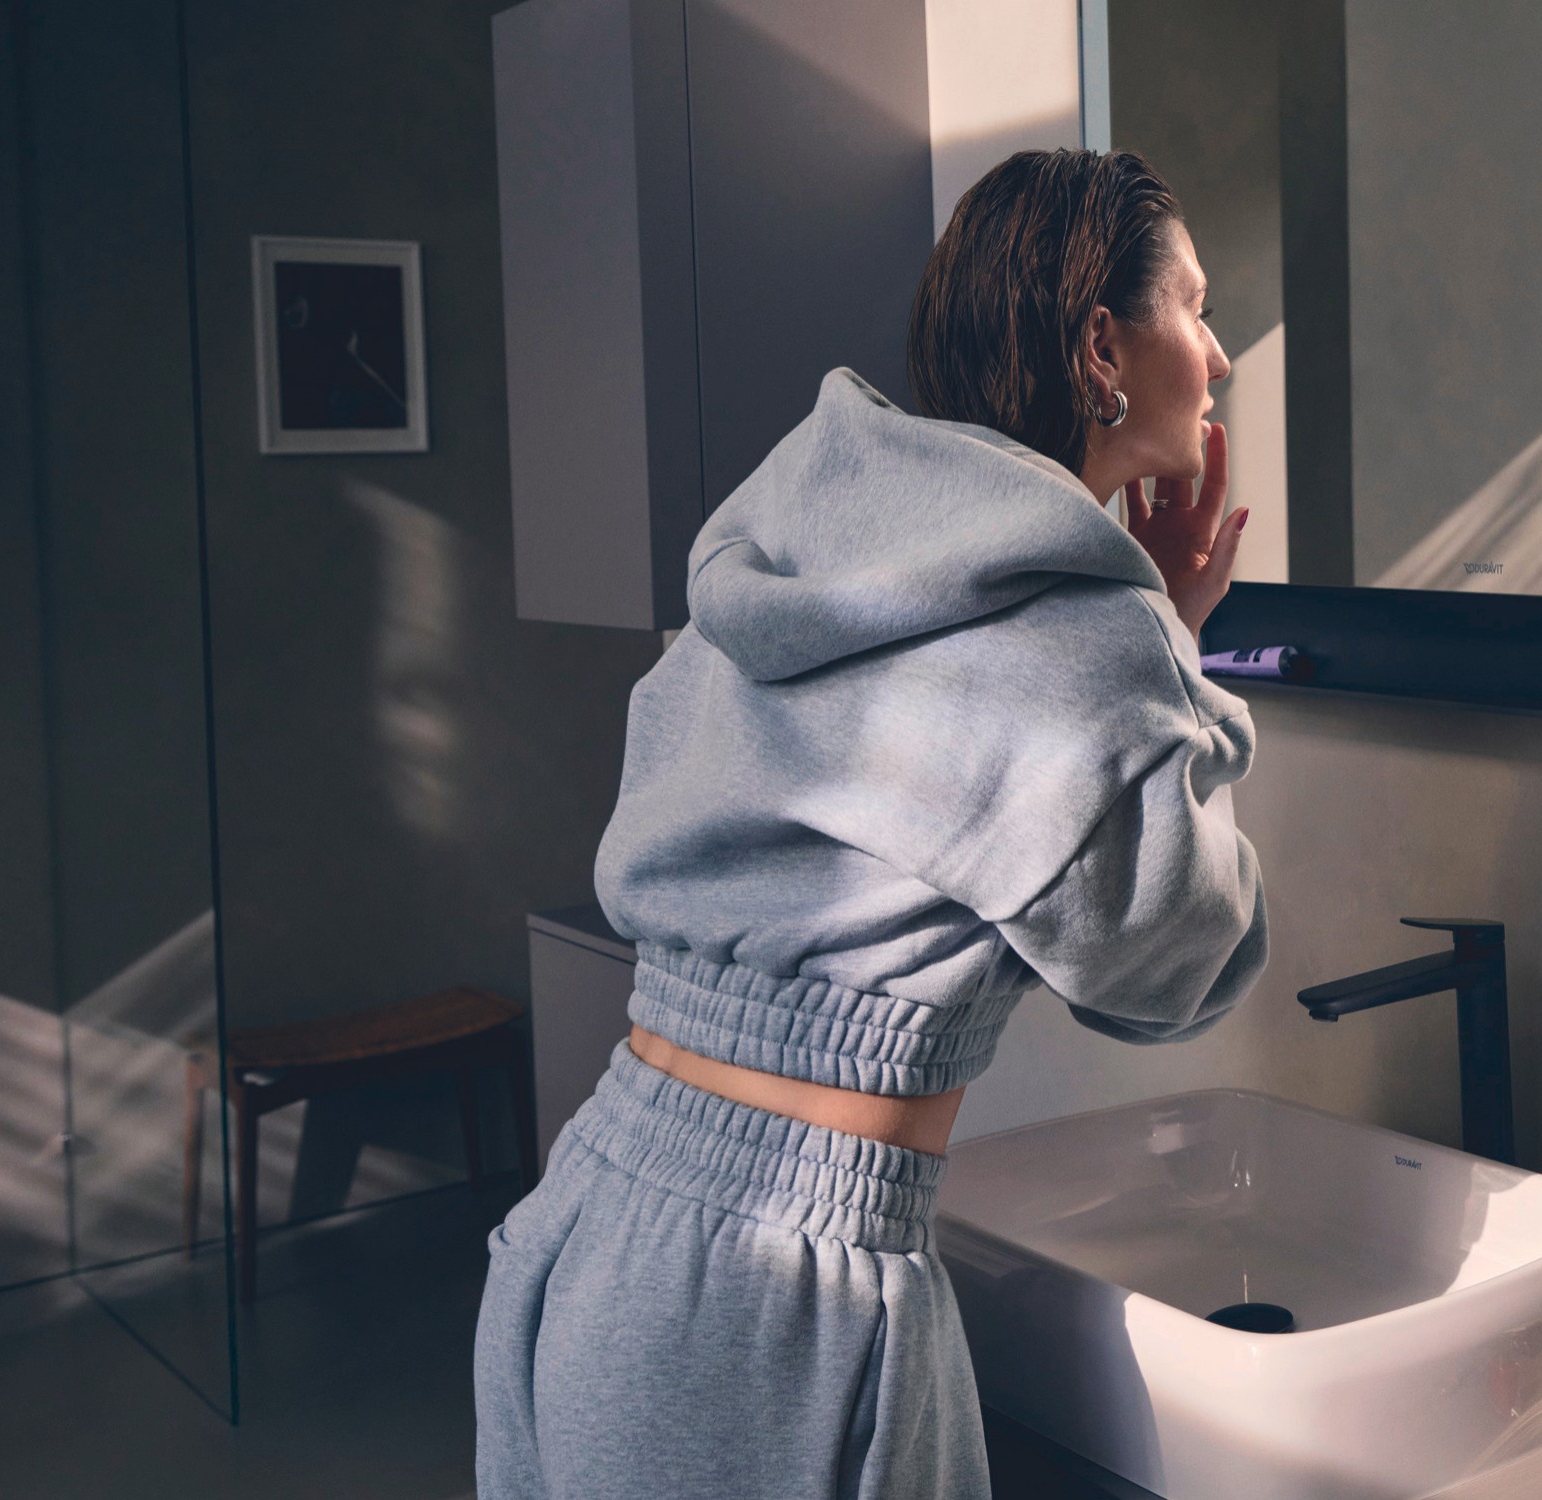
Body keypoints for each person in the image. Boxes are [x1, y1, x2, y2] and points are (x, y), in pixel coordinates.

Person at [474, 149, 1263, 1500]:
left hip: (591, 1213)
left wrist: (1152, 646)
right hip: (780, 1301)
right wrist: (1173, 658)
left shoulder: (795, 541)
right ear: (1102, 346)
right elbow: (1178, 969)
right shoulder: (1087, 633)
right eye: (1194, 305)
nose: (1225, 352)